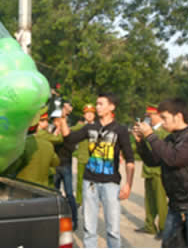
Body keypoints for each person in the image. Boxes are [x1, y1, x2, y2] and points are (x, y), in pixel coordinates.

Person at [57, 92, 135, 248]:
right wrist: (62, 118)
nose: (97, 107)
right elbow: (69, 138)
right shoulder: (90, 127)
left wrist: (128, 184)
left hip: (111, 183)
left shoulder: (120, 130)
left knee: (113, 229)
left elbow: (130, 159)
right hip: (90, 182)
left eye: (101, 104)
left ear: (111, 106)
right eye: (97, 104)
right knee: (89, 228)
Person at [133, 98, 188, 248]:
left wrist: (150, 135)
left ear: (178, 116)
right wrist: (140, 142)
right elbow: (153, 161)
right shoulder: (171, 138)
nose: (162, 122)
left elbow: (174, 159)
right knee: (169, 245)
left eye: (164, 118)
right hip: (176, 204)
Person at [133, 105, 168, 240]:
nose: (148, 118)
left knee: (161, 202)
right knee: (149, 200)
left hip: (158, 172)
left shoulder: (163, 131)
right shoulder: (151, 130)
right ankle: (149, 225)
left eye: (150, 116)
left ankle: (164, 228)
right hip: (148, 170)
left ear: (158, 115)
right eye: (147, 116)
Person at [3, 110, 60, 188]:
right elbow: (56, 162)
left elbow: (12, 168)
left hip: (24, 188)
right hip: (44, 189)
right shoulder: (49, 145)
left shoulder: (23, 144)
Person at [52, 101, 79, 231]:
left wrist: (62, 129)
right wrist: (56, 131)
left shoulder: (69, 134)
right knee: (54, 194)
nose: (57, 122)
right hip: (56, 167)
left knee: (69, 194)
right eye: (55, 121)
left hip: (66, 166)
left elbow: (71, 148)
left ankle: (74, 220)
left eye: (59, 120)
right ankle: (54, 219)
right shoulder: (53, 132)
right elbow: (51, 144)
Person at [73, 104, 96, 206]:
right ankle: (79, 200)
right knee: (80, 180)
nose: (89, 115)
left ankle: (93, 200)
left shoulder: (98, 126)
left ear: (94, 115)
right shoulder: (80, 126)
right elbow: (70, 130)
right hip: (82, 158)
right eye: (87, 113)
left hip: (94, 158)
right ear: (84, 115)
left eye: (91, 113)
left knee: (94, 181)